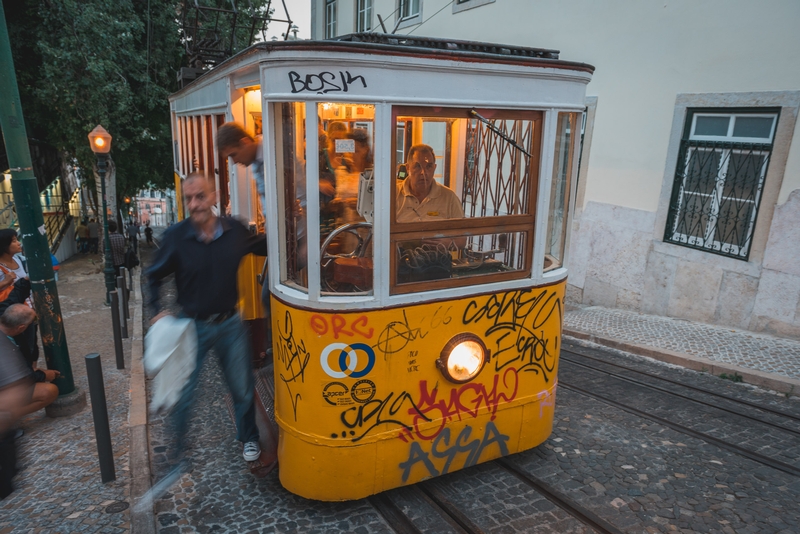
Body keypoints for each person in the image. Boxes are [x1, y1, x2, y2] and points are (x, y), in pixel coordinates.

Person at [146, 173, 267, 472]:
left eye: (200, 196)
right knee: (183, 393)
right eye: (188, 198)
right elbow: (152, 276)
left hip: (230, 324)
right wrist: (156, 309)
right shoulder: (175, 236)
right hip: (191, 326)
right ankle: (177, 451)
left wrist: (296, 240)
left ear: (214, 197)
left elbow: (263, 246)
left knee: (241, 387)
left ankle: (249, 438)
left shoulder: (234, 230)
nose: (194, 203)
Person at [396, 144, 465, 223]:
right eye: (418, 166)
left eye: (429, 166)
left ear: (434, 168)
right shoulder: (393, 196)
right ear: (408, 168)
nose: (423, 172)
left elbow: (460, 233)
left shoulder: (449, 198)